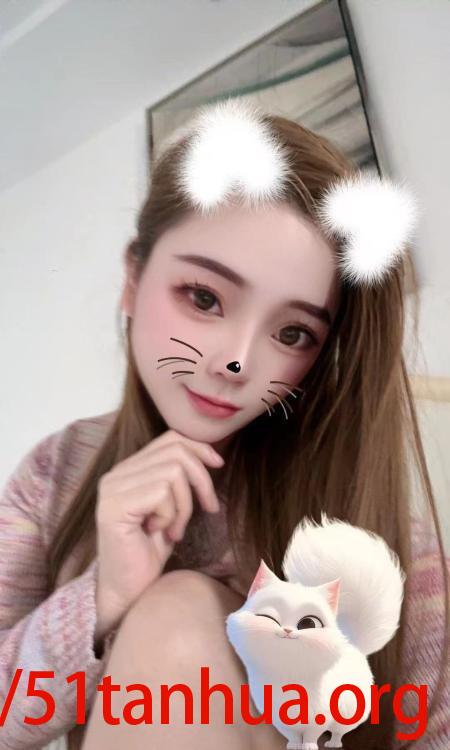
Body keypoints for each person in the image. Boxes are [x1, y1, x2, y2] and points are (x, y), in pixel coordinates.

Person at [0, 99, 448, 750]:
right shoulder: (55, 473)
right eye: (205, 297)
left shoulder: (379, 532)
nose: (236, 363)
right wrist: (105, 596)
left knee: (178, 617)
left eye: (292, 333)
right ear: (134, 279)